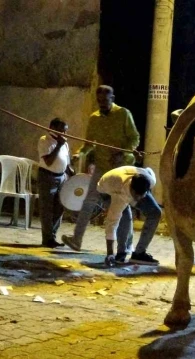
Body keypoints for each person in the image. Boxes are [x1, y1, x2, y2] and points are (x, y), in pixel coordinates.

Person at [62, 85, 140, 251]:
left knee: (122, 206)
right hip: (102, 166)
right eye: (99, 101)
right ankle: (77, 240)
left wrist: (121, 152)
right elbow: (89, 144)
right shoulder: (94, 118)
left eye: (105, 100)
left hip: (121, 167)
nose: (102, 104)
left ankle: (127, 245)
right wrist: (79, 154)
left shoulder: (123, 114)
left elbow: (134, 138)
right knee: (89, 202)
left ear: (112, 98)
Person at [97, 166, 161, 266]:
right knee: (124, 217)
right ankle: (120, 254)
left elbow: (149, 170)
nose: (139, 198)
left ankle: (139, 253)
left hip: (126, 179)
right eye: (137, 196)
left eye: (142, 194)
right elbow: (111, 224)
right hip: (106, 189)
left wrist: (142, 198)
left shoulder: (150, 180)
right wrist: (110, 254)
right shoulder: (120, 195)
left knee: (155, 212)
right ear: (132, 189)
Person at [37, 118, 74, 248]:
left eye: (65, 131)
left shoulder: (65, 143)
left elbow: (67, 163)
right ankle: (47, 239)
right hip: (48, 176)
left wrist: (74, 175)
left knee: (59, 207)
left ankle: (52, 236)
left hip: (62, 177)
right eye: (61, 130)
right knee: (47, 209)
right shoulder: (44, 140)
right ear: (52, 127)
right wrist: (58, 145)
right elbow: (48, 161)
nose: (64, 134)